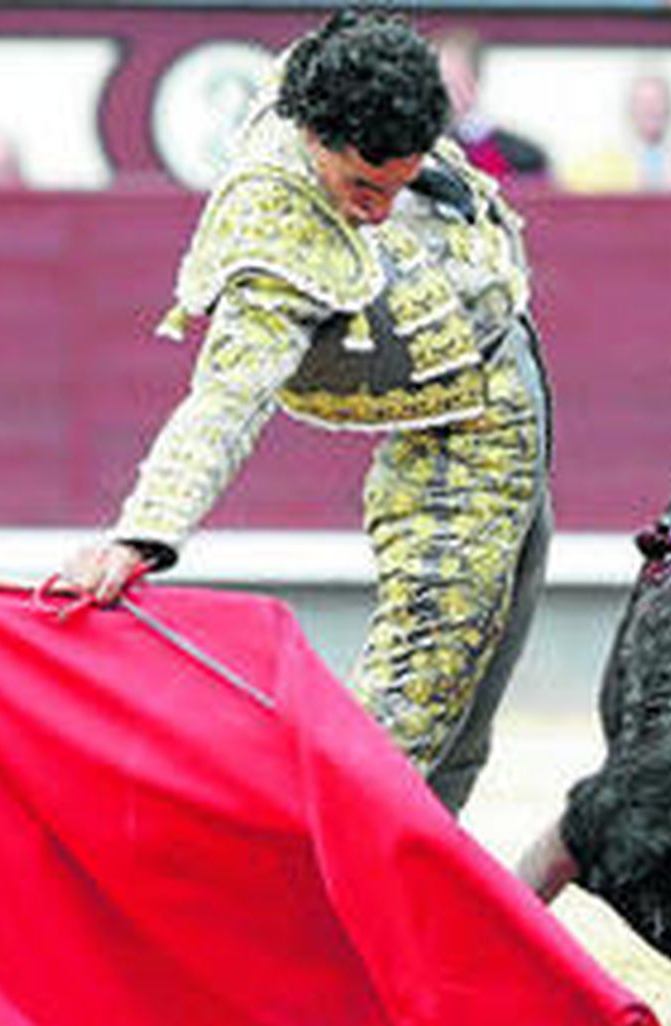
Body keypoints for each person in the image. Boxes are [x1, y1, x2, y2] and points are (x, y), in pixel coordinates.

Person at [60, 10, 554, 817]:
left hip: (507, 367)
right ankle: (297, 896)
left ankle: (413, 893)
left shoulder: (334, 79)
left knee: (471, 697)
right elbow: (225, 399)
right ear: (313, 136)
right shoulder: (279, 232)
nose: (378, 211)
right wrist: (141, 533)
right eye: (363, 186)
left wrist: (399, 178)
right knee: (414, 703)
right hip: (458, 434)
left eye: (398, 184)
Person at [561, 70, 671, 192]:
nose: (651, 109)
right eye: (643, 102)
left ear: (670, 108)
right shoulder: (595, 166)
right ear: (629, 109)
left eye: (658, 101)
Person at [435, 25, 550, 188]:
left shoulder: (522, 158)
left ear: (474, 82)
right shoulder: (413, 153)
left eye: (452, 82)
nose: (441, 92)